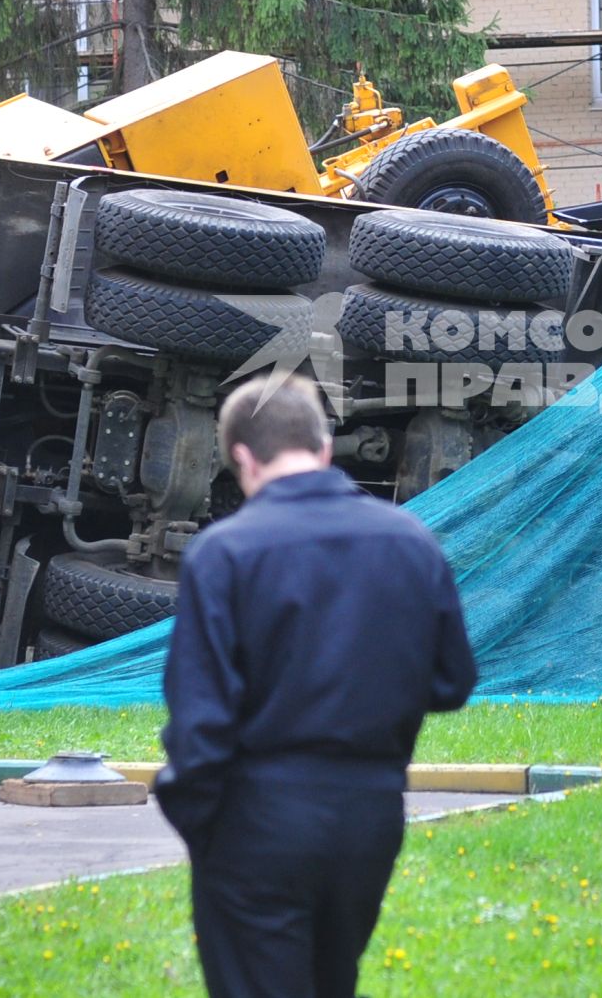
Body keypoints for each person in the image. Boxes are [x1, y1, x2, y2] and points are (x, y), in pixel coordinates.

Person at [154, 373, 477, 998]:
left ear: (243, 458)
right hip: (371, 814)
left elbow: (201, 717)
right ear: (324, 448)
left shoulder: (225, 552)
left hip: (258, 814)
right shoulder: (411, 540)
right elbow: (452, 680)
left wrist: (198, 818)